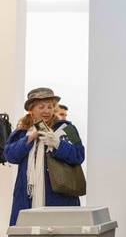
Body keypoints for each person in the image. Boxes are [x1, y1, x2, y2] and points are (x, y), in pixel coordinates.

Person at [4, 87, 84, 226]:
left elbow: (79, 155)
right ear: (31, 109)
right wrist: (29, 139)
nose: (47, 110)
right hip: (27, 198)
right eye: (41, 107)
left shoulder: (66, 128)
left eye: (50, 106)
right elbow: (10, 155)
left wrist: (58, 144)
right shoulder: (22, 131)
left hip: (59, 198)